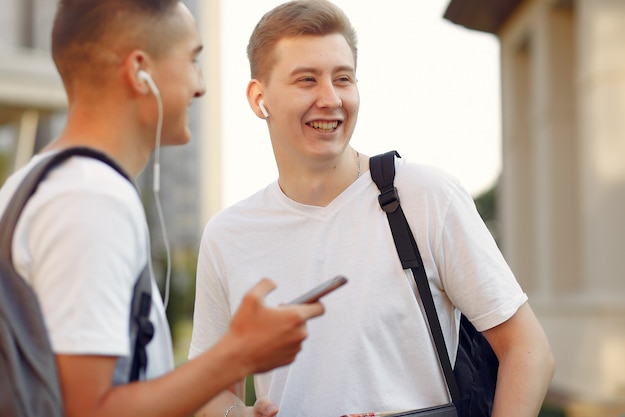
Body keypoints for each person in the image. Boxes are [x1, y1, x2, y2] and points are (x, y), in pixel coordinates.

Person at [188, 0, 555, 416]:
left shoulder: (426, 196)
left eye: (342, 78)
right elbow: (207, 385)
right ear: (259, 98)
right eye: (306, 80)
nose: (330, 99)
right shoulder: (229, 235)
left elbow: (528, 350)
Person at [0, 1, 325, 417]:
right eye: (192, 59)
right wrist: (238, 354)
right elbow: (90, 410)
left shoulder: (33, 184)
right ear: (140, 71)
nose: (201, 85)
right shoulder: (91, 199)